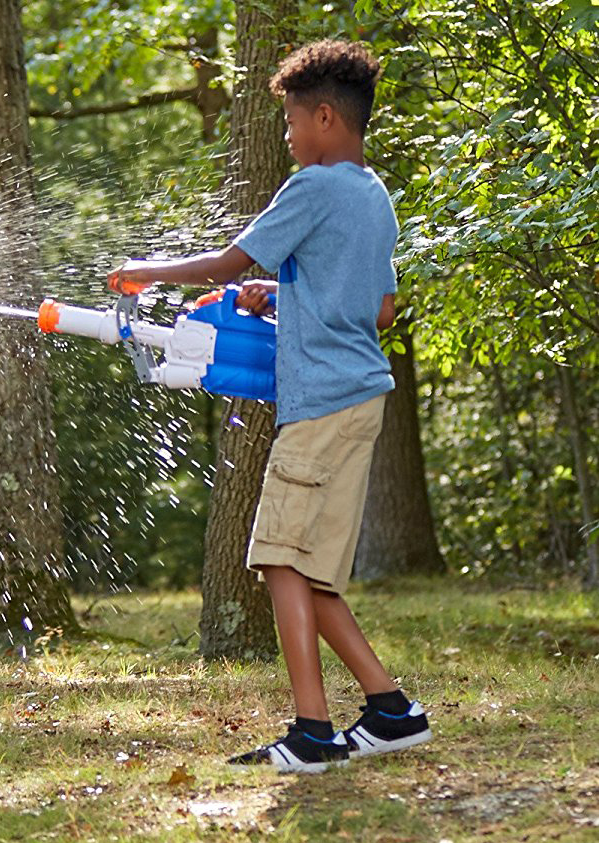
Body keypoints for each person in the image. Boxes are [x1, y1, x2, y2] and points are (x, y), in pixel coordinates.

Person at [108, 40, 433, 774]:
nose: (287, 136)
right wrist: (287, 296)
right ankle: (391, 710)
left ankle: (312, 731)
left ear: (325, 116)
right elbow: (378, 310)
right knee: (312, 573)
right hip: (361, 398)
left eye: (291, 121)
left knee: (279, 559)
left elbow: (229, 263)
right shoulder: (373, 194)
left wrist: (142, 273)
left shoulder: (312, 187)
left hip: (317, 404)